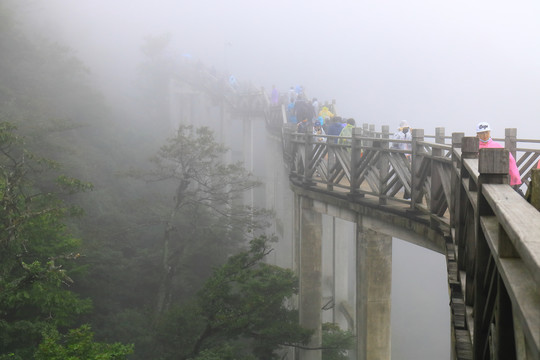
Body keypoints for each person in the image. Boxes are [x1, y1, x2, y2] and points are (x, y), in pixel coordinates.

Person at [476, 122, 522, 190]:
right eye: (482, 133)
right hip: (481, 178)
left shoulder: (497, 146)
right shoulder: (475, 146)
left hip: (498, 178)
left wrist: (514, 178)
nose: (485, 135)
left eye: (487, 132)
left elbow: (510, 161)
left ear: (490, 132)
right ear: (478, 134)